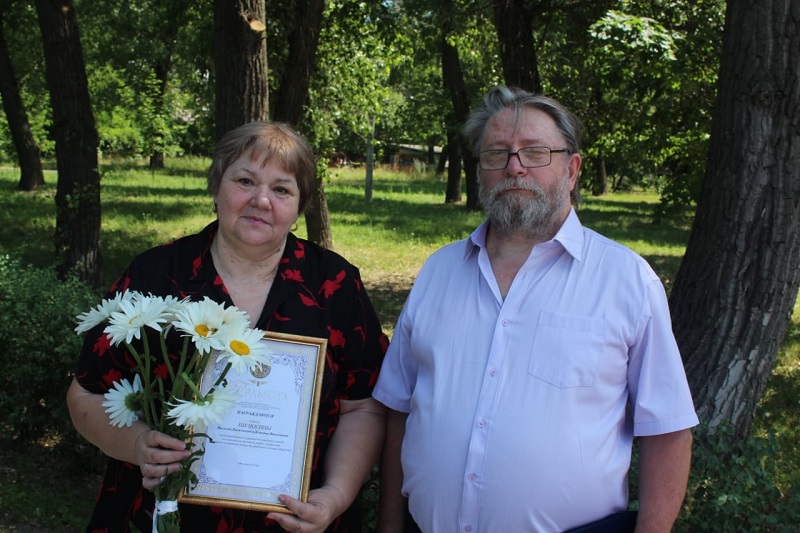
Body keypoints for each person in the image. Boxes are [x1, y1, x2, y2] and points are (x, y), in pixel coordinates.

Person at [373, 86, 699, 532]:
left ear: (572, 169)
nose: (514, 166)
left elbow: (667, 430)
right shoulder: (438, 271)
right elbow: (398, 409)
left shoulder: (626, 280)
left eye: (535, 152)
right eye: (497, 154)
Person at [67, 121, 389, 532]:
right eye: (245, 180)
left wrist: (336, 496)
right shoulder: (156, 276)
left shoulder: (334, 285)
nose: (261, 200)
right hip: (161, 516)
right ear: (216, 186)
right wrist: (135, 444)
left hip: (296, 520)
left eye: (281, 189)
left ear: (299, 203)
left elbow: (362, 406)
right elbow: (86, 394)